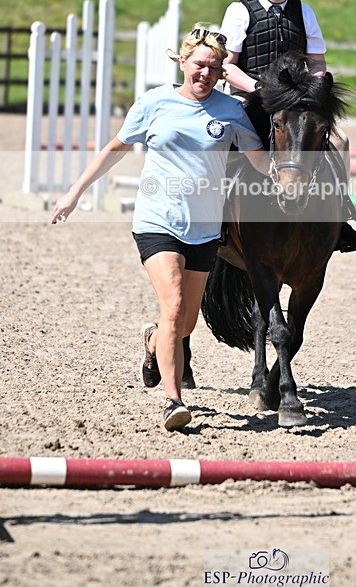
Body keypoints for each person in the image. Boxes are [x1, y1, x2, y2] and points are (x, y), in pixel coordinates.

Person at [51, 25, 269, 432]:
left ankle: (153, 341)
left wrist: (292, 173)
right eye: (199, 65)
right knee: (175, 308)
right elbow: (116, 148)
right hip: (157, 221)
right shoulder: (154, 102)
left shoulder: (230, 111)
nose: (205, 73)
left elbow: (258, 158)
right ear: (183, 62)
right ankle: (174, 401)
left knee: (184, 323)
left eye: (214, 68)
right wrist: (74, 193)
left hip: (204, 229)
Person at [219, 0, 356, 254]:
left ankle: (340, 215)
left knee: (340, 141)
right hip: (249, 98)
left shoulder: (304, 12)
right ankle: (215, 220)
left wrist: (313, 87)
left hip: (293, 103)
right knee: (219, 140)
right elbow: (227, 66)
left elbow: (317, 61)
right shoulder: (240, 11)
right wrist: (259, 87)